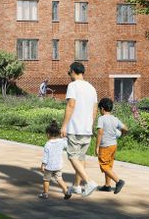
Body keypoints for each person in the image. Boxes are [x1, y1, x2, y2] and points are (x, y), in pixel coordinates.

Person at [60, 61, 98, 197]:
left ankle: (89, 182)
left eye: (69, 72)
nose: (69, 75)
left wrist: (64, 125)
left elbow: (71, 105)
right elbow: (95, 108)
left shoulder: (73, 85)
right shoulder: (92, 88)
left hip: (75, 128)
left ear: (73, 71)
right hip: (87, 129)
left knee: (72, 157)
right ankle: (76, 186)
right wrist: (91, 125)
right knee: (81, 158)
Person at [95, 97, 128, 194]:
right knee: (109, 165)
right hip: (113, 145)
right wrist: (122, 134)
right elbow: (125, 128)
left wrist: (97, 147)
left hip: (105, 146)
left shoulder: (101, 119)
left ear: (102, 108)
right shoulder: (115, 119)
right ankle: (107, 185)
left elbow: (100, 132)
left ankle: (118, 181)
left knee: (104, 166)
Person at [39, 120, 72, 200]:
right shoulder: (61, 142)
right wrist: (64, 137)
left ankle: (45, 193)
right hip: (58, 165)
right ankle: (66, 191)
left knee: (46, 180)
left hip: (49, 167)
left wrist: (43, 165)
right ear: (58, 133)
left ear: (48, 134)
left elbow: (46, 157)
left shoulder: (48, 144)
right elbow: (67, 145)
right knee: (59, 179)